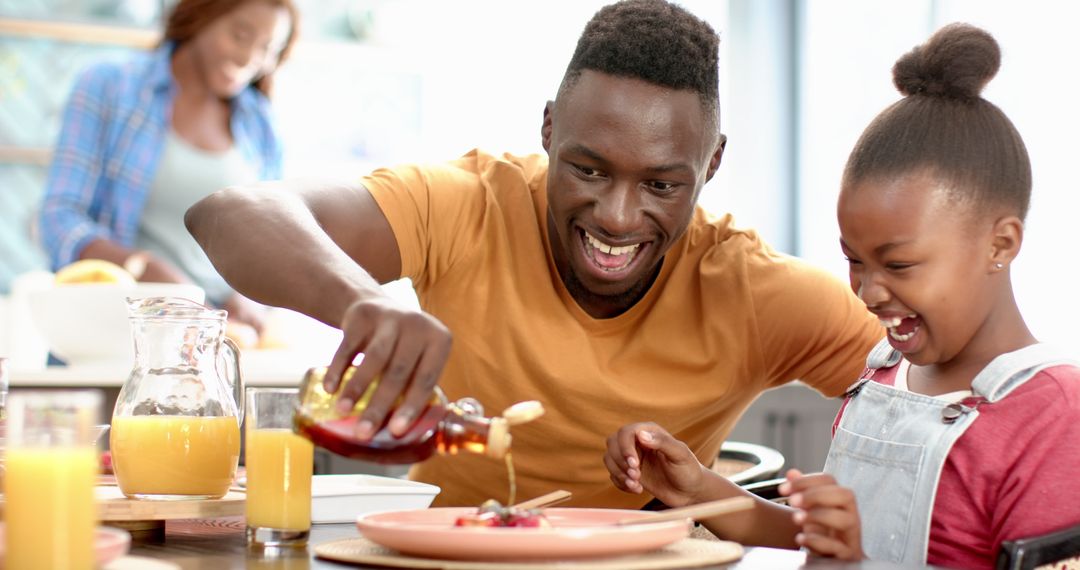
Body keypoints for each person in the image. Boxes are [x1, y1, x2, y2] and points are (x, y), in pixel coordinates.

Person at [185, 0, 881, 508]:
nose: (615, 215)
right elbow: (230, 213)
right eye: (588, 169)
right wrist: (362, 301)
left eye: (663, 184)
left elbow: (948, 385)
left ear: (713, 164)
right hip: (453, 556)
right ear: (549, 128)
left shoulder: (754, 291)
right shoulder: (470, 205)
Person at [605, 23, 1080, 568]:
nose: (869, 292)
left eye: (899, 264)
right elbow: (813, 538)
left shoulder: (1054, 414)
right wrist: (697, 489)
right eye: (855, 260)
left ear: (1001, 243)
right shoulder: (881, 377)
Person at [39, 0, 298, 335]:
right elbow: (58, 217)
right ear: (201, 15)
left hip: (213, 337)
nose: (249, 58)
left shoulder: (261, 123)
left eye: (268, 48)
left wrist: (248, 298)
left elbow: (272, 244)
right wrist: (142, 268)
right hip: (116, 327)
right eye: (240, 34)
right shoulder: (110, 86)